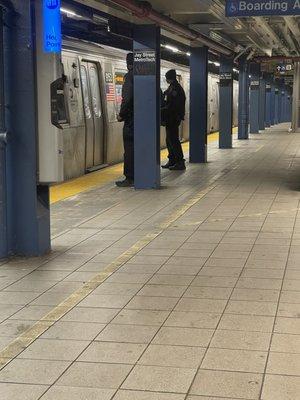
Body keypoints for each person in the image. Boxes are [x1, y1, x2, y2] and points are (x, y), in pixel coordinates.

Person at [161, 69, 186, 170]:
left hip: (173, 118)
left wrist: (162, 109)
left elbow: (173, 105)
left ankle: (180, 162)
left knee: (174, 140)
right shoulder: (172, 87)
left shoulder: (176, 89)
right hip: (170, 118)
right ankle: (172, 160)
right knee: (169, 140)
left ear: (168, 78)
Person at [116, 53, 134, 187]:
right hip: (142, 119)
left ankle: (130, 177)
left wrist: (121, 114)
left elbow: (126, 99)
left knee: (129, 149)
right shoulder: (145, 75)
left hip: (131, 121)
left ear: (128, 64)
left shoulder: (129, 77)